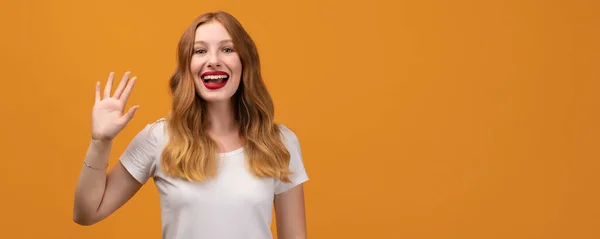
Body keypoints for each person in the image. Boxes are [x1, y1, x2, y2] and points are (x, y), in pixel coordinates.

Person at [73, 11, 308, 239]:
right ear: (188, 66)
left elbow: (294, 236)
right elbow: (87, 213)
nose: (213, 60)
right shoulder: (160, 137)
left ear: (245, 62)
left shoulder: (280, 142)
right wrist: (100, 142)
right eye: (200, 51)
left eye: (227, 49)